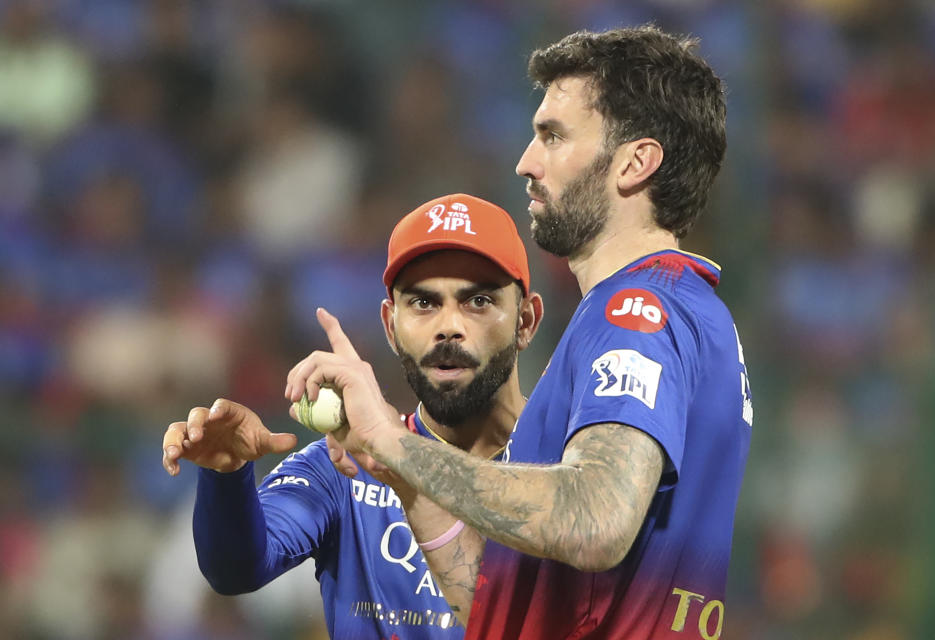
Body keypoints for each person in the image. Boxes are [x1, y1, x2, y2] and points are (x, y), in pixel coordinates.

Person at [293, 25, 753, 639]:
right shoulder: (681, 309)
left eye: (553, 137)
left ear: (636, 162)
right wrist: (395, 466)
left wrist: (399, 444)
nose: (526, 162)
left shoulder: (637, 311)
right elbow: (510, 605)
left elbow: (597, 519)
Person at [161, 193, 544, 639]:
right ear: (390, 326)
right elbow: (234, 571)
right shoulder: (343, 468)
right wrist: (227, 478)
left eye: (477, 301)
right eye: (423, 303)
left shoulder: (576, 469)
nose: (448, 325)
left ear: (526, 321)